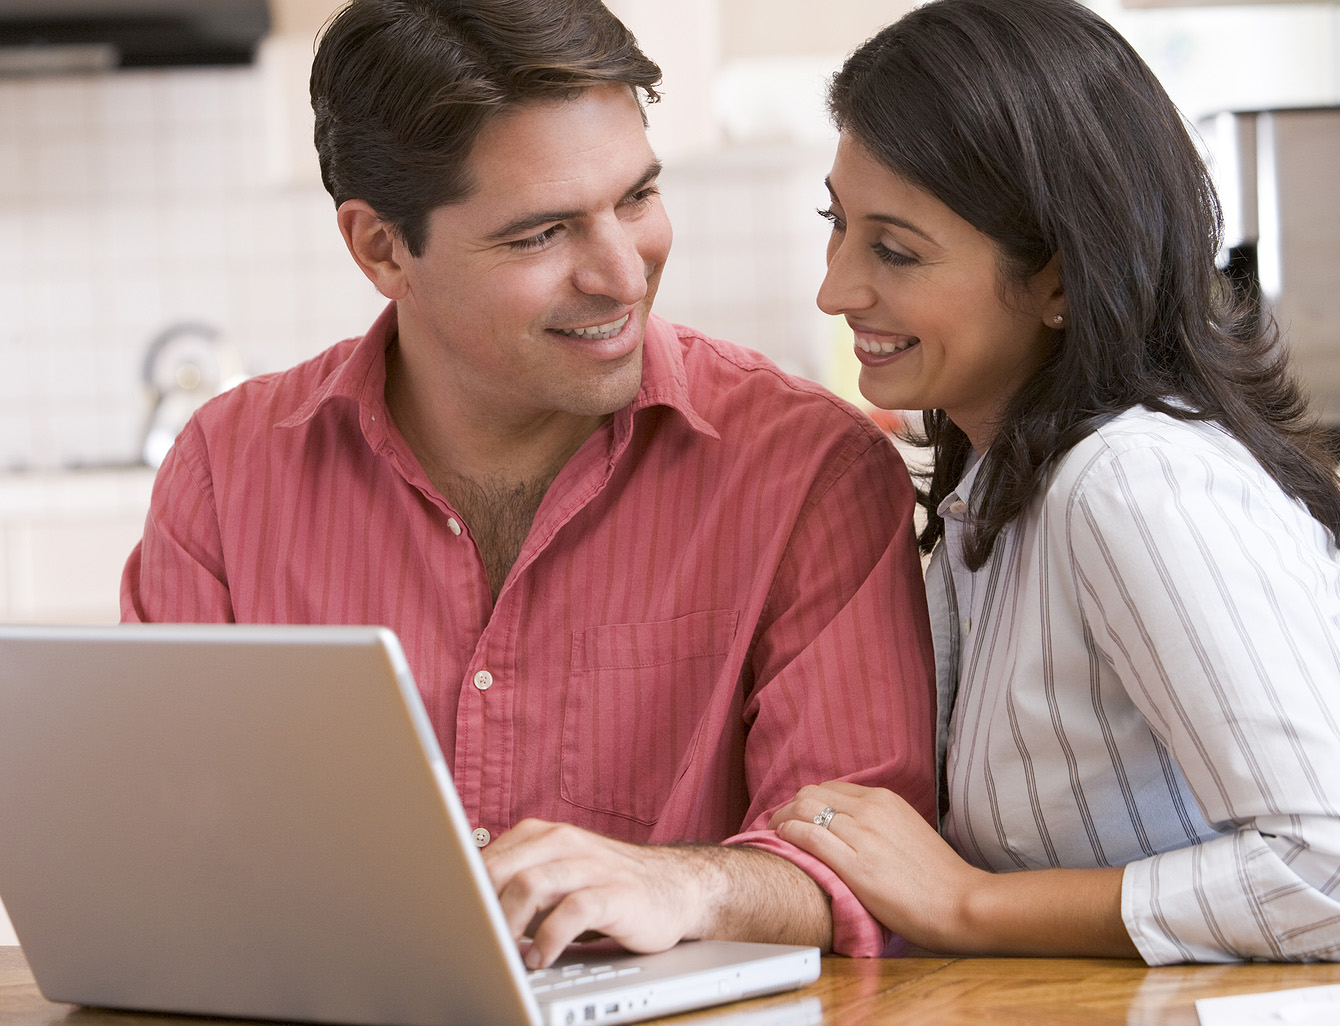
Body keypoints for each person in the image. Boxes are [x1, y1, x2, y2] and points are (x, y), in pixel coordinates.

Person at [119, 0, 937, 967]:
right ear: (382, 248)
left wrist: (680, 882)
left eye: (635, 198)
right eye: (542, 234)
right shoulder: (228, 470)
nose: (621, 274)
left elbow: (867, 871)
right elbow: (159, 849)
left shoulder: (809, 470)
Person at [770, 0, 1340, 964]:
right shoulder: (997, 482)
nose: (836, 289)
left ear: (1060, 282)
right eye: (838, 223)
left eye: (895, 250)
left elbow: (1321, 868)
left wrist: (968, 906)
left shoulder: (1134, 481)